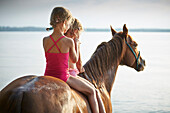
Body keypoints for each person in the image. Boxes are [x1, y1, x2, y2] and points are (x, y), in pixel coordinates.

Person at [43, 7, 105, 113]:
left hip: (47, 75)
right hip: (63, 77)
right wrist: (76, 43)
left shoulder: (45, 40)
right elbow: (75, 59)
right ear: (64, 22)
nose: (68, 27)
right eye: (68, 24)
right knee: (91, 91)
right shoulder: (68, 41)